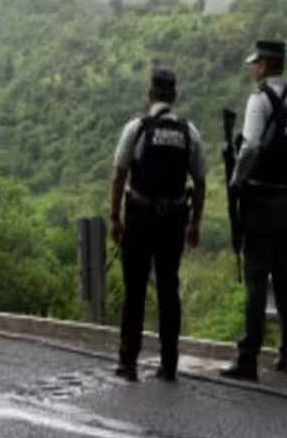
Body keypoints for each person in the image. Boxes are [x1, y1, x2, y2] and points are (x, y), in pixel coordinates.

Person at [109, 68, 207, 382]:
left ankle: (128, 363)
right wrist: (194, 225)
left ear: (150, 95)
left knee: (134, 291)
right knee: (169, 290)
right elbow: (201, 182)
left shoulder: (136, 128)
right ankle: (168, 365)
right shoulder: (188, 132)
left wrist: (114, 217)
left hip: (139, 217)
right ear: (173, 97)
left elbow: (119, 174)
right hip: (173, 221)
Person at [222, 40, 287, 381]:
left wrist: (235, 183)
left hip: (261, 204)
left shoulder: (260, 101)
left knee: (256, 282)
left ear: (263, 66)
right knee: (286, 280)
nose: (254, 69)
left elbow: (251, 148)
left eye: (256, 64)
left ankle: (248, 359)